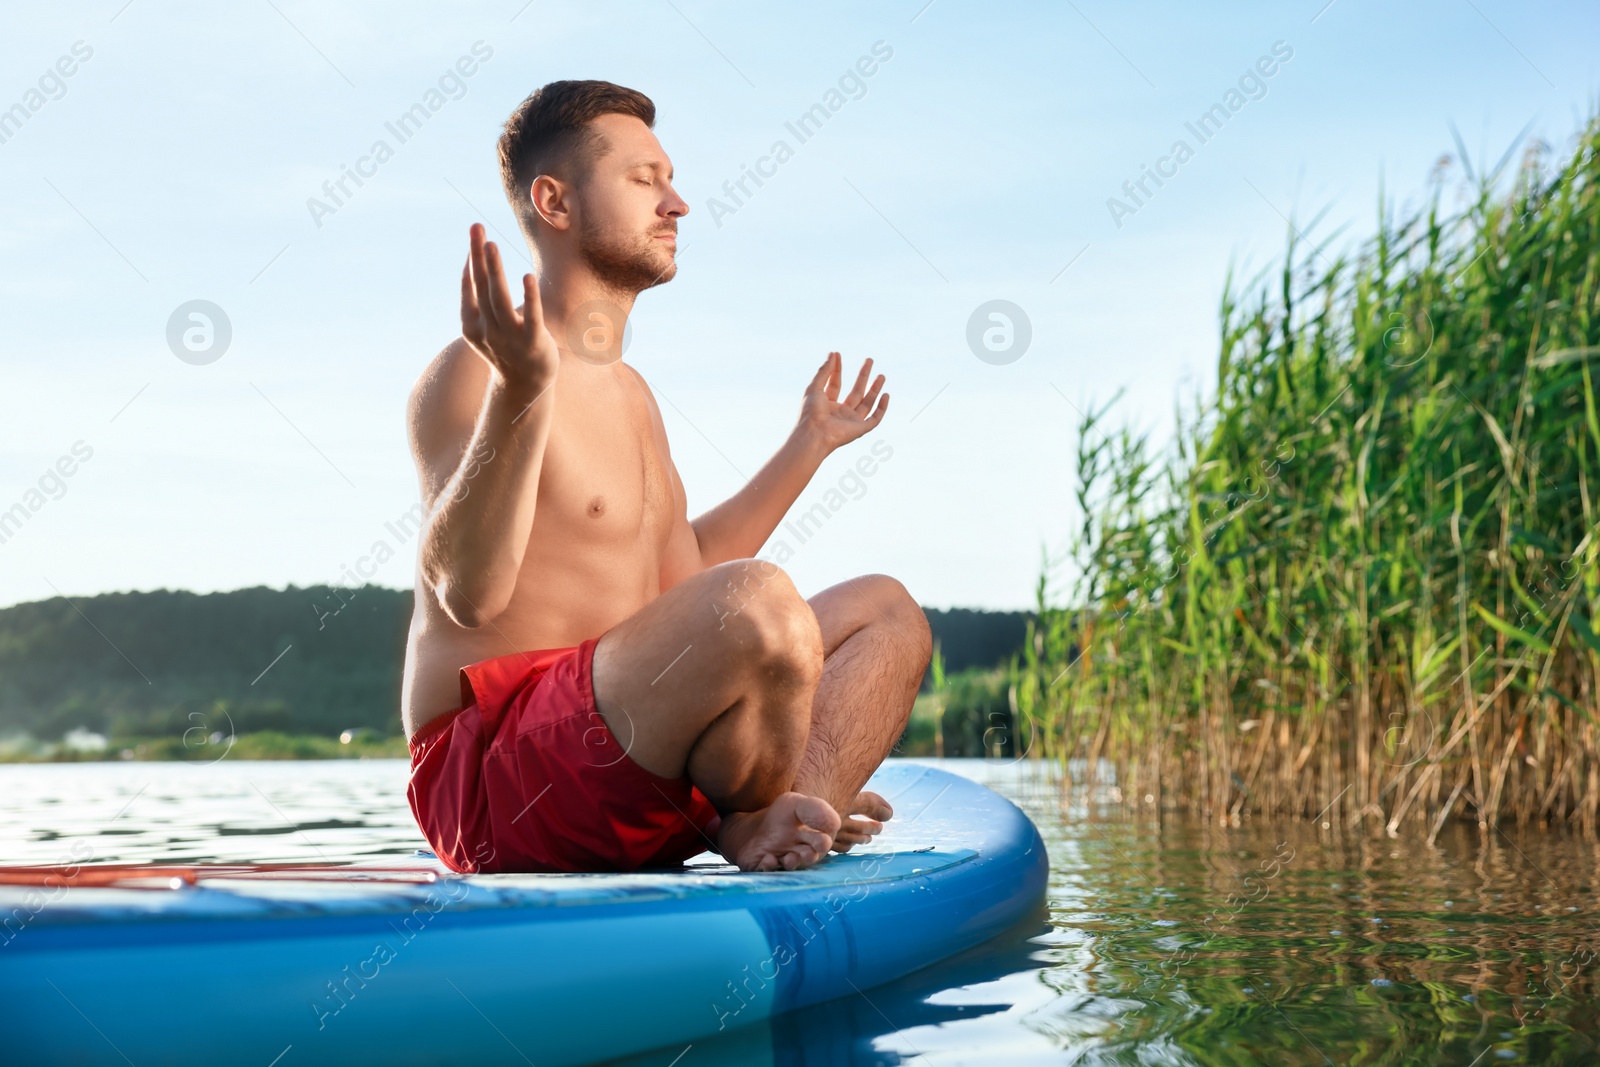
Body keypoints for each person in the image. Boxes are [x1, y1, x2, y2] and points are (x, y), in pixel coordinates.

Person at [402, 80, 931, 875]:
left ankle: (784, 824)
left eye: (671, 180)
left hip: (631, 747)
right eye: (644, 179)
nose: (677, 204)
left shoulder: (632, 396)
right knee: (758, 601)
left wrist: (809, 442)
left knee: (887, 614)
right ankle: (750, 812)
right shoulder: (476, 371)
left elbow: (685, 576)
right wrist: (520, 392)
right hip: (502, 782)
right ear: (556, 202)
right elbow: (466, 591)